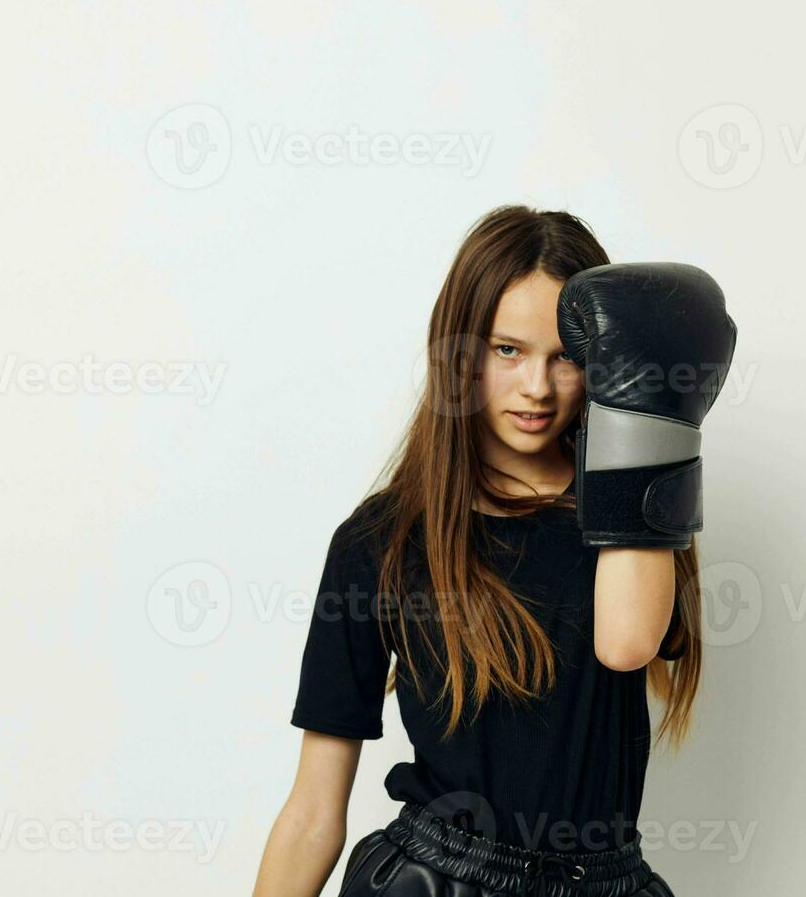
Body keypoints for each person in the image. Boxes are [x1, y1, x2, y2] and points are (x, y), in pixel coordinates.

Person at [251, 205, 737, 897]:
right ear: (459, 352)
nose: (537, 388)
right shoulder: (381, 541)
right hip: (435, 877)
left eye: (567, 356)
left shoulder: (626, 520)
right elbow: (312, 810)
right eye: (507, 349)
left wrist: (650, 418)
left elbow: (626, 643)